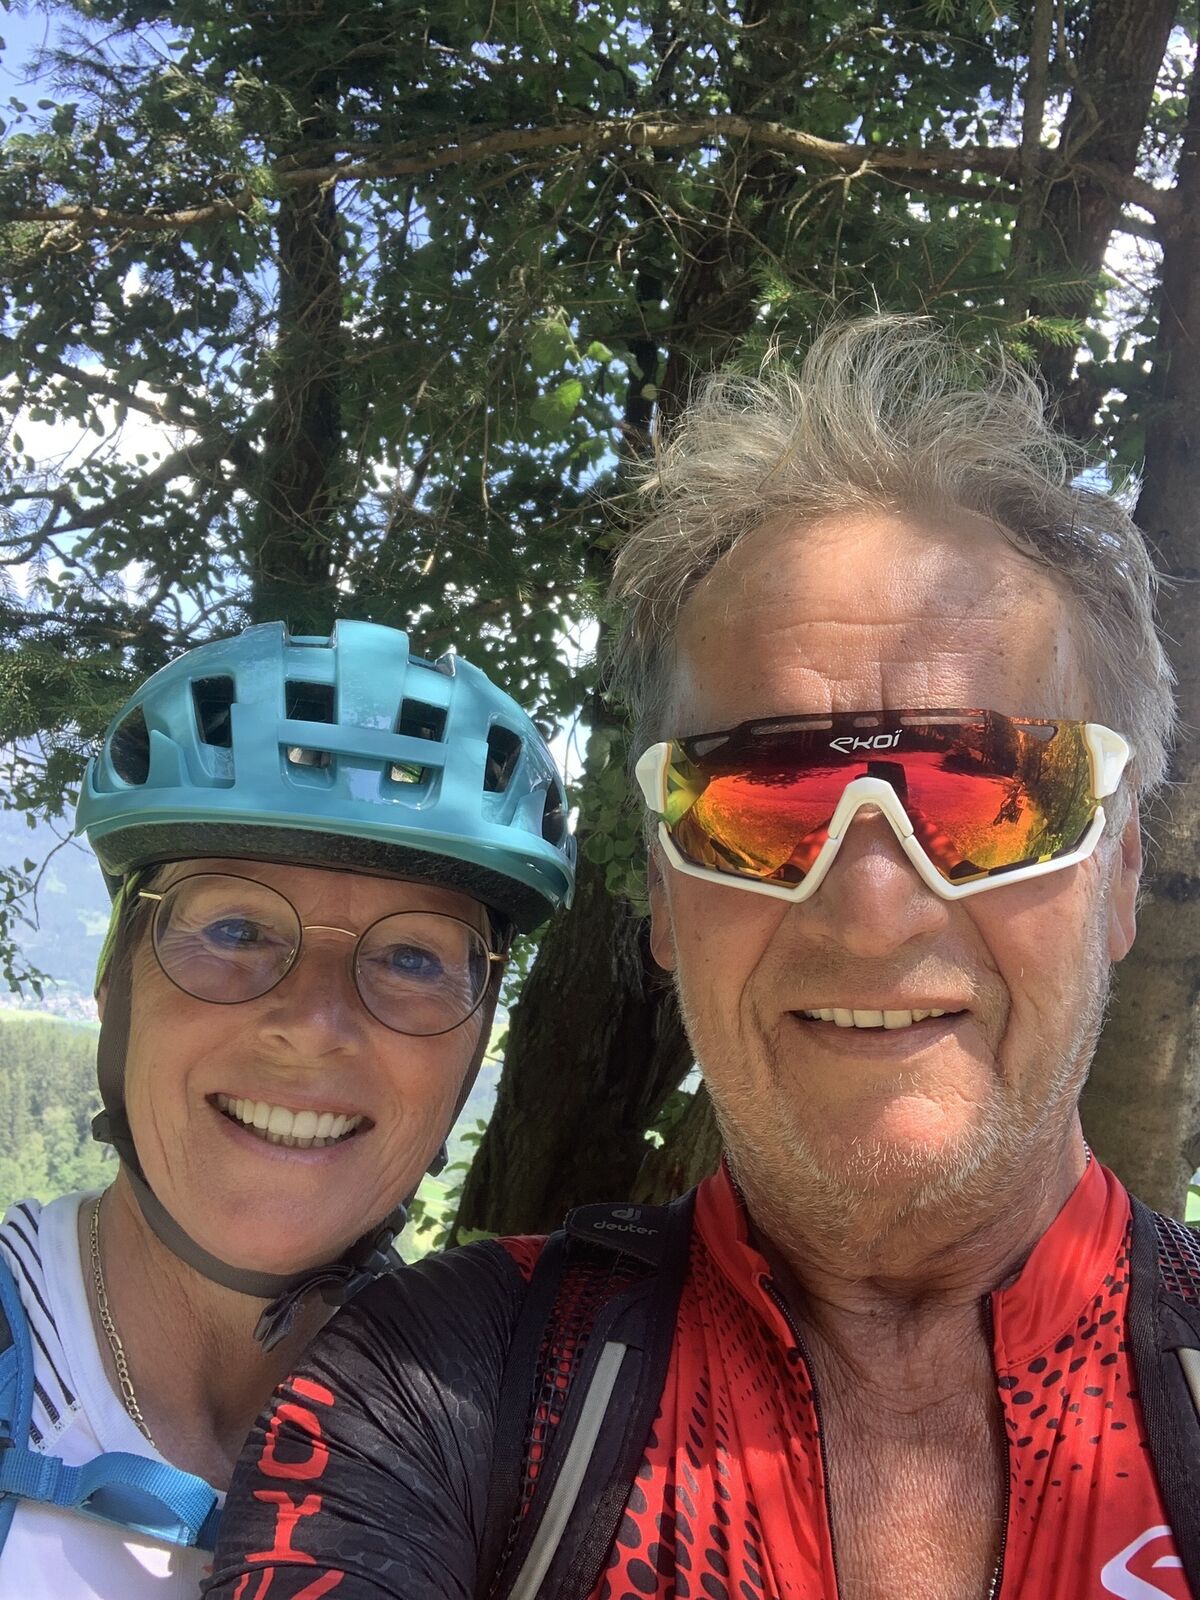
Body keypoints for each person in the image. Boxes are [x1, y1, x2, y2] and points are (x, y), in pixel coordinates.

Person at [204, 319, 1194, 1600]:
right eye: (761, 801)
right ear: (667, 895)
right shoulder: (446, 1383)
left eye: (989, 794)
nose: (873, 908)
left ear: (1119, 875)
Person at [0, 617, 574, 1599]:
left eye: (412, 958)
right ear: (113, 983)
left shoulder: (526, 1461)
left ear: (472, 1046)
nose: (313, 1026)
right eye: (236, 929)